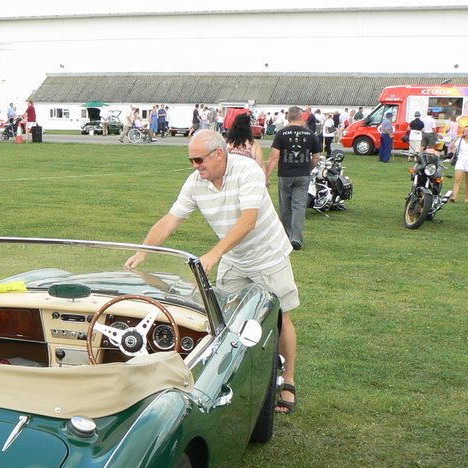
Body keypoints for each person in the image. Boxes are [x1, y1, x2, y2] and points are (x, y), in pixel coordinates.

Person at [126, 129, 300, 414]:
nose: (195, 166)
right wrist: (143, 252)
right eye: (192, 161)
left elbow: (249, 221)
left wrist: (215, 254)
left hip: (269, 256)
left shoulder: (248, 171)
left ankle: (288, 382)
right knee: (224, 320)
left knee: (282, 317)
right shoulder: (195, 183)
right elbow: (171, 220)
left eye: (198, 160)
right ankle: (232, 381)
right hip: (235, 258)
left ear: (218, 153)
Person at [265, 105, 321, 252]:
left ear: (288, 117)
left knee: (285, 207)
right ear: (301, 117)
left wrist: (267, 176)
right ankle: (296, 238)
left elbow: (274, 157)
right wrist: (309, 168)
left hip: (285, 174)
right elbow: (316, 157)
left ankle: (285, 237)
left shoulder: (281, 134)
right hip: (303, 174)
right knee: (298, 207)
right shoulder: (310, 135)